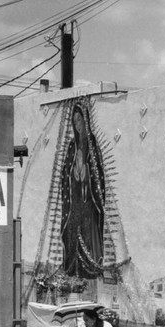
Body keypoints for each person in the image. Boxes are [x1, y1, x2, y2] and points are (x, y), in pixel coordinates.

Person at [61, 102, 105, 278]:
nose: (77, 124)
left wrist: (87, 170)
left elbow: (99, 174)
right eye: (75, 121)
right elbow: (66, 172)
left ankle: (90, 268)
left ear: (86, 121)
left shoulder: (92, 143)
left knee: (87, 230)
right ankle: (71, 268)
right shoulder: (72, 145)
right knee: (71, 229)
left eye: (80, 120)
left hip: (89, 199)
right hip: (74, 199)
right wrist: (73, 173)